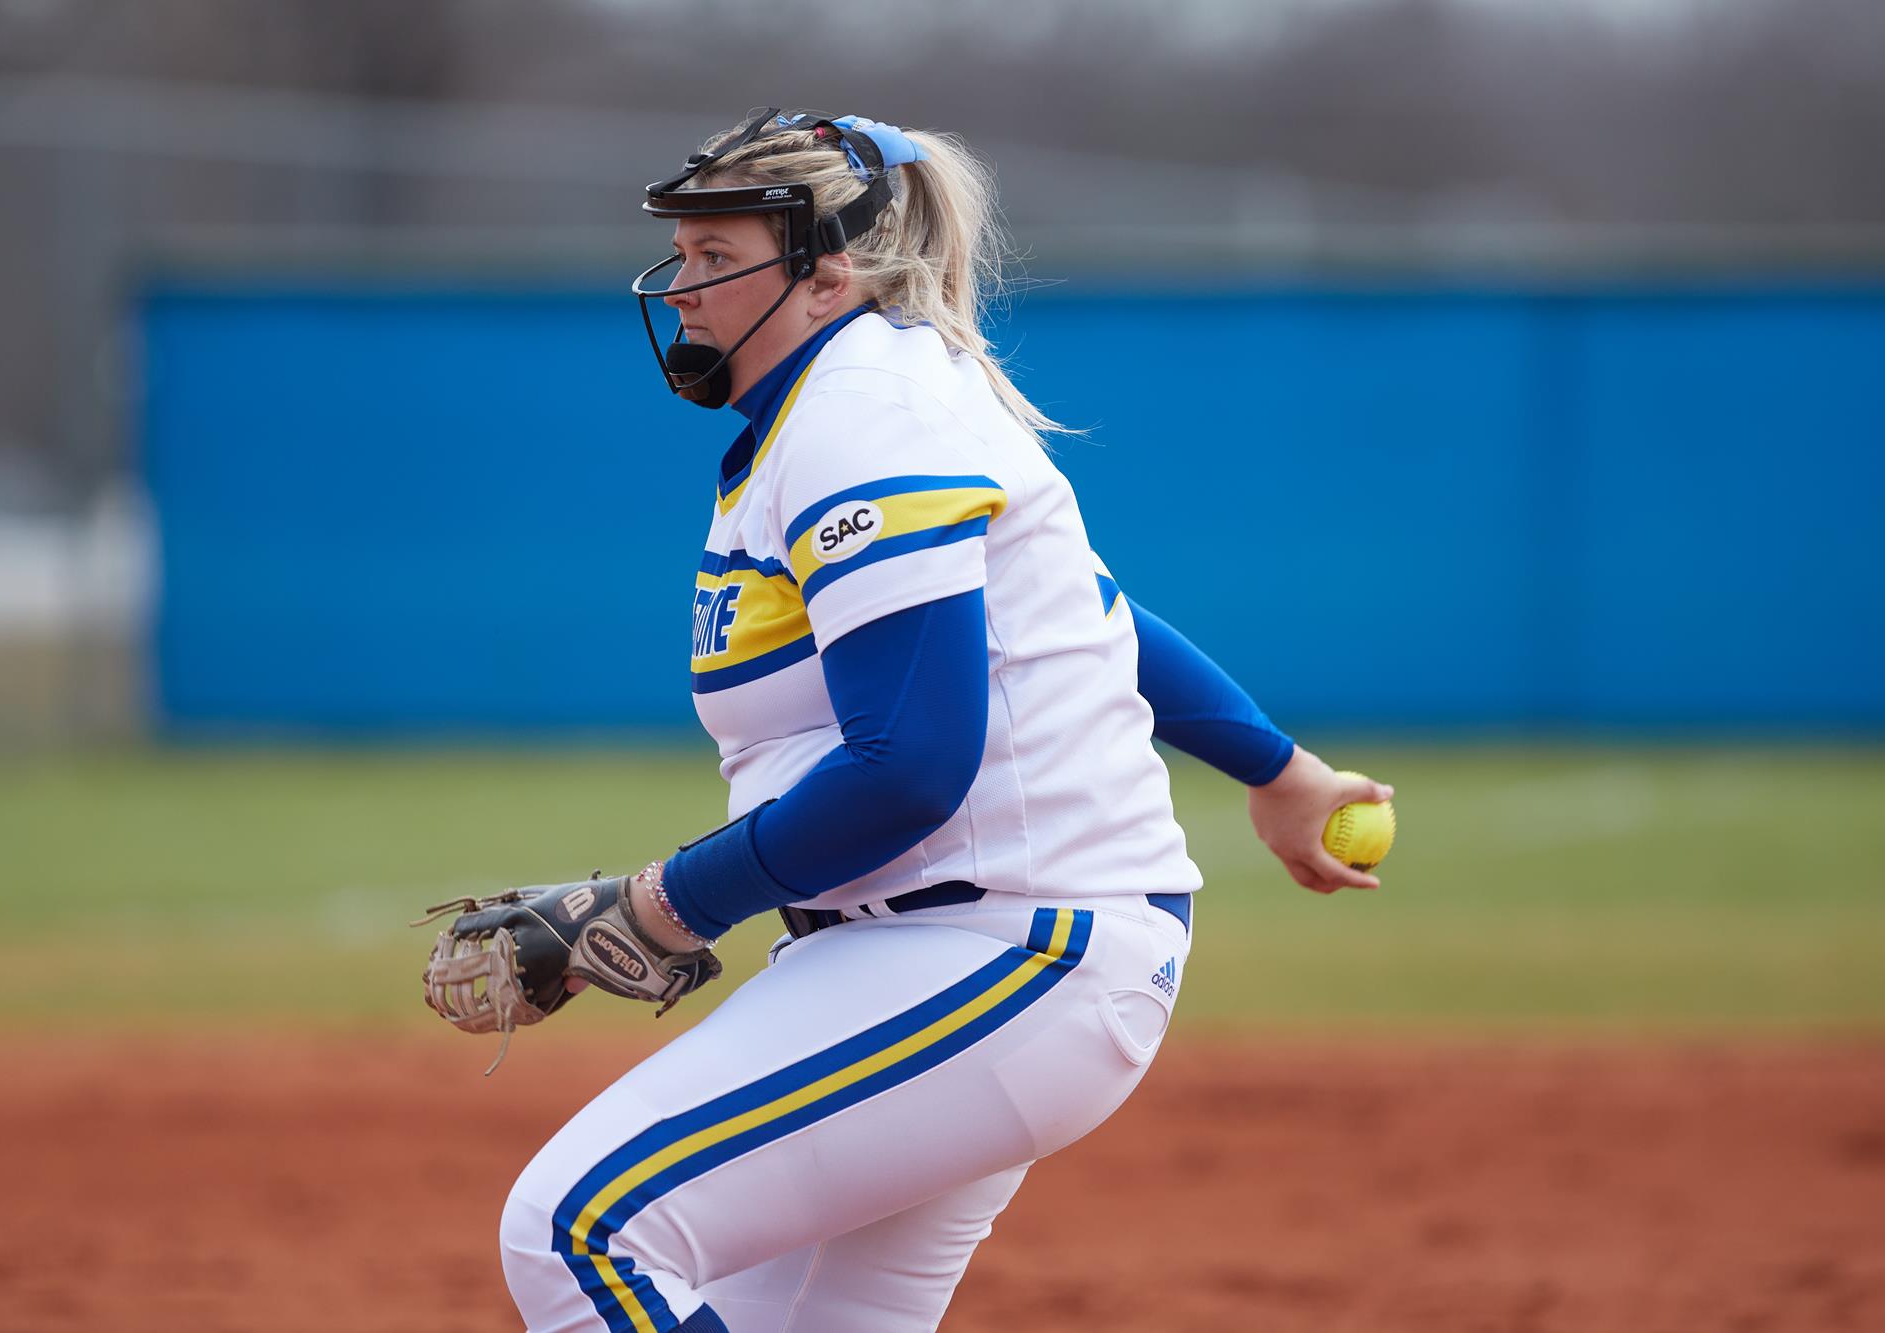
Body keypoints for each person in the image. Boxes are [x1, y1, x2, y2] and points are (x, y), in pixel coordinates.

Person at [429, 108, 1392, 1333]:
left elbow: (910, 769)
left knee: (582, 1231)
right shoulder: (854, 400)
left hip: (995, 948)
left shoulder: (864, 414)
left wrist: (658, 906)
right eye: (682, 254)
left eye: (717, 257)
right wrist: (1279, 770)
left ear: (826, 267)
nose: (680, 288)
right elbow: (1087, 617)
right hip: (935, 951)